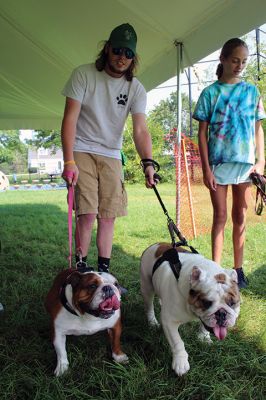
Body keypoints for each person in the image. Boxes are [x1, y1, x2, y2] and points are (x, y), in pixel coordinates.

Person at [61, 23, 156, 273]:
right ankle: (81, 268)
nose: (122, 57)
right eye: (117, 50)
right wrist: (69, 160)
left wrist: (148, 162)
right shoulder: (83, 74)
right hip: (82, 147)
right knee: (88, 213)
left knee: (108, 214)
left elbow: (140, 129)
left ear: (134, 57)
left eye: (128, 53)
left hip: (112, 153)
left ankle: (104, 272)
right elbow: (70, 118)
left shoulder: (136, 88)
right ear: (107, 48)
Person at [193, 38, 265, 289]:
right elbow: (201, 133)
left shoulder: (252, 92)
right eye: (235, 60)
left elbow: (258, 129)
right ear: (222, 59)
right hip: (219, 164)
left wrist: (261, 161)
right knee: (220, 216)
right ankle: (215, 269)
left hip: (245, 166)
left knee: (241, 215)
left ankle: (238, 269)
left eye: (244, 61)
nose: (240, 65)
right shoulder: (210, 93)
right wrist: (206, 168)